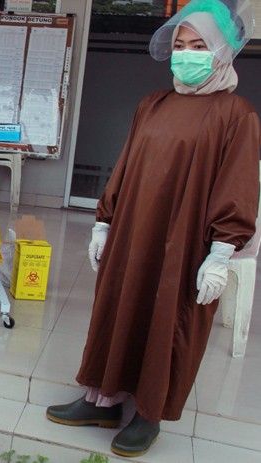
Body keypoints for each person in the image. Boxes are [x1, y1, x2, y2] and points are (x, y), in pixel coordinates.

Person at [45, 0, 260, 458]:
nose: (187, 54)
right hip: (134, 231)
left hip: (187, 242)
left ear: (222, 52)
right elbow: (126, 166)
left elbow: (237, 187)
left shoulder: (236, 114)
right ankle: (101, 399)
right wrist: (104, 222)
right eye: (180, 45)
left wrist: (221, 254)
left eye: (199, 45)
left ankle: (148, 414)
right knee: (118, 306)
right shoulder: (154, 104)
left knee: (168, 321)